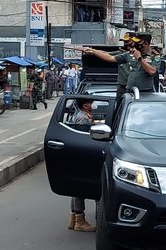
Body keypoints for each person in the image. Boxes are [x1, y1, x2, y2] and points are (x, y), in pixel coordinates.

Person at [83, 33, 159, 93]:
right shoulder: (130, 54)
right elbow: (110, 57)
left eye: (137, 42)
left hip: (144, 92)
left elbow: (152, 71)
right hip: (129, 91)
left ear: (145, 43)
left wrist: (139, 59)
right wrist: (93, 51)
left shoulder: (154, 56)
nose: (135, 45)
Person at [68, 98, 96, 232]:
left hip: (76, 155)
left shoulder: (82, 116)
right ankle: (80, 220)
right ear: (85, 106)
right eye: (91, 103)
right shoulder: (83, 119)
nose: (93, 105)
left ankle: (74, 218)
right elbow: (83, 137)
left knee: (76, 189)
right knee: (80, 189)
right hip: (82, 155)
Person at [112, 33, 135, 99]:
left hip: (136, 88)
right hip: (123, 87)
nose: (125, 44)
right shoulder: (121, 54)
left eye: (127, 41)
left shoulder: (139, 54)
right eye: (124, 42)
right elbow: (107, 55)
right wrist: (92, 51)